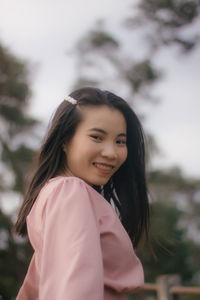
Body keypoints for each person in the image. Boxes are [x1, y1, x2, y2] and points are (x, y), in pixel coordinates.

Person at [14, 87, 150, 300]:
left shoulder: (58, 193)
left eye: (120, 141)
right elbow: (75, 288)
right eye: (97, 137)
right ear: (64, 140)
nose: (111, 153)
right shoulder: (69, 192)